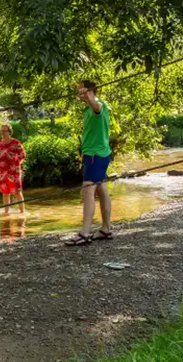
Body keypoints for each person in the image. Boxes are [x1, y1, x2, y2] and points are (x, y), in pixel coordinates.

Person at [66, 80, 113, 246]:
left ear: (89, 90)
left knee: (87, 191)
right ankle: (106, 229)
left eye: (81, 90)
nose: (79, 93)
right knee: (101, 189)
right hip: (96, 154)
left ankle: (85, 233)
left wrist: (89, 98)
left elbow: (97, 108)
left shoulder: (98, 105)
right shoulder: (88, 108)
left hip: (95, 155)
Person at [0, 123, 27, 215]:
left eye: (4, 131)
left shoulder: (16, 143)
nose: (2, 133)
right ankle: (7, 213)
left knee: (17, 192)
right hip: (2, 172)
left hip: (14, 172)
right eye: (1, 131)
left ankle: (22, 212)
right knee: (5, 193)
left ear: (9, 132)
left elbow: (23, 155)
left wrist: (15, 162)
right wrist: (2, 154)